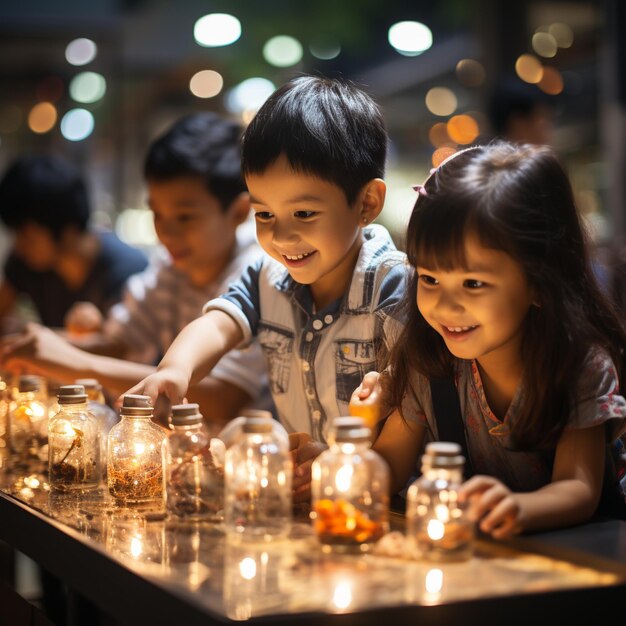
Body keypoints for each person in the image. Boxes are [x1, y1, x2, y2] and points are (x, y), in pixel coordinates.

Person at [124, 76, 407, 466]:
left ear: (367, 203)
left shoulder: (392, 286)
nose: (281, 236)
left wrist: (344, 465)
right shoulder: (266, 274)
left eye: (304, 213)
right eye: (265, 214)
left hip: (375, 493)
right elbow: (219, 324)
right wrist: (175, 369)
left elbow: (412, 409)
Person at [350, 142, 626, 539]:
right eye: (429, 279)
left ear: (538, 282)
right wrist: (348, 460)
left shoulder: (578, 366)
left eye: (473, 283)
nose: (445, 305)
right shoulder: (430, 360)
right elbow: (389, 465)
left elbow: (578, 489)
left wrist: (518, 509)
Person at [1, 112, 270, 425]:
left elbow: (226, 398)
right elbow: (120, 340)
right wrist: (43, 343)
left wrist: (78, 362)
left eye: (184, 217)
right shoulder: (171, 267)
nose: (166, 232)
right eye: (157, 212)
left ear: (238, 211)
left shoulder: (255, 271)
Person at [0, 153, 148, 332]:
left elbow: (122, 348)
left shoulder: (128, 273)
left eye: (27, 235)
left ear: (68, 231)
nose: (18, 245)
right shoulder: (25, 264)